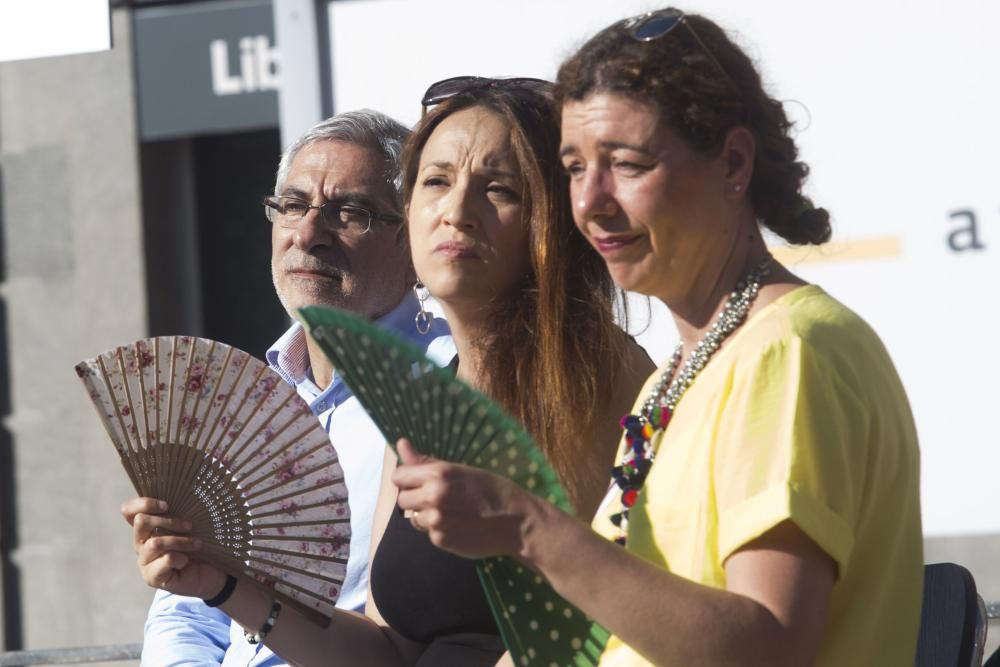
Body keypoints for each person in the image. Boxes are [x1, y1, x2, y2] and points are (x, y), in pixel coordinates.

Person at [391, 8, 923, 666]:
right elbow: (603, 633)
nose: (590, 201)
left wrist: (526, 526)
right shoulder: (682, 374)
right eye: (576, 168)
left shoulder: (786, 352)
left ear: (732, 162)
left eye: (627, 164)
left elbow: (771, 648)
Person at [123, 80, 651, 666]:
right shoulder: (423, 399)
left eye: (349, 212)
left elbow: (580, 623)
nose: (456, 212)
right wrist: (221, 583)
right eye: (437, 182)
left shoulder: (589, 370)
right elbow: (389, 652)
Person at [124, 109, 450, 667]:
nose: (307, 234)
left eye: (350, 212)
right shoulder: (247, 399)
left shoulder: (452, 381)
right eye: (294, 206)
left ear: (411, 239)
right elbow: (185, 607)